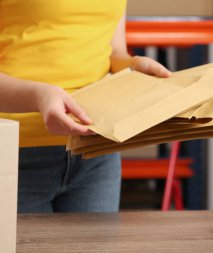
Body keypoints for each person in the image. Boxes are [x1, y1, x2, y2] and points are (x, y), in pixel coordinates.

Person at [0, 0, 171, 213]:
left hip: (96, 149)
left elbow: (112, 52)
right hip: (14, 152)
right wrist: (38, 96)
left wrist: (133, 66)